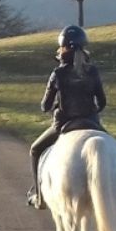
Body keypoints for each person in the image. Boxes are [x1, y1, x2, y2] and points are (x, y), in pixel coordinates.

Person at [27, 25, 106, 210]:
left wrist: (53, 106)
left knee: (35, 150)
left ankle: (39, 197)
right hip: (91, 123)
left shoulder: (58, 73)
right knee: (114, 147)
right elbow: (102, 102)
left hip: (64, 125)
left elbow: (44, 106)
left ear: (63, 48)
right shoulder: (92, 71)